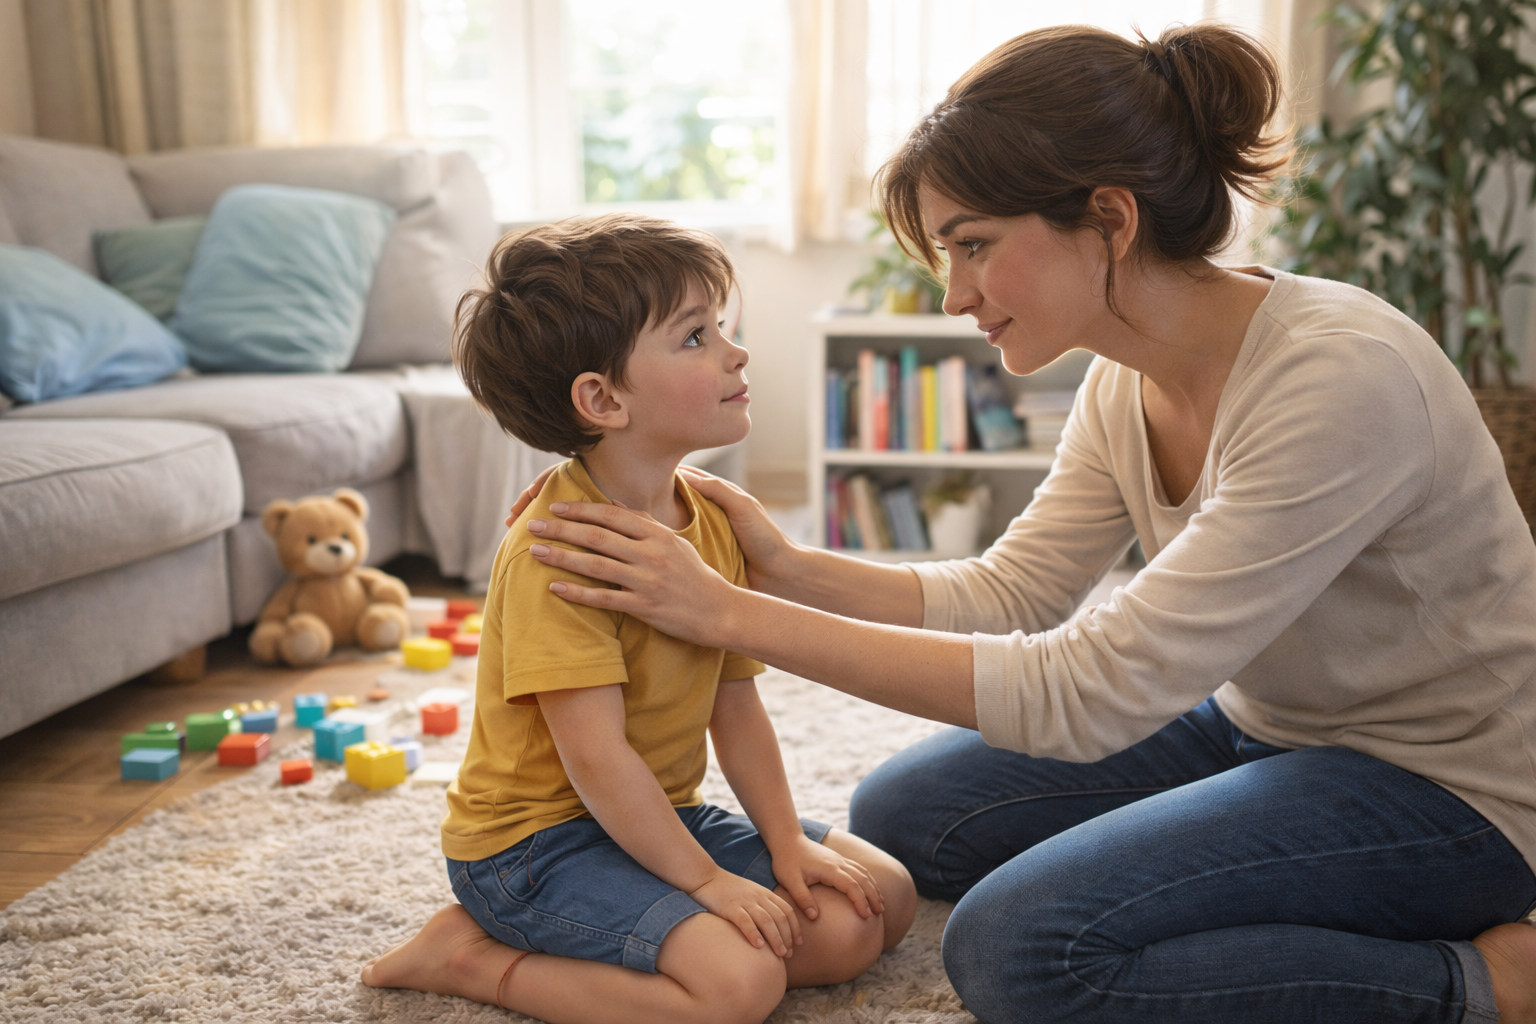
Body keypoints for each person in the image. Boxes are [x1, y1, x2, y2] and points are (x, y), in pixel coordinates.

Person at [498, 23, 1536, 1024]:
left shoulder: (1338, 378)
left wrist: (728, 615)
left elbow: (1089, 691)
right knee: (909, 817)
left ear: (1110, 220)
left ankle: (1478, 980)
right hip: (1264, 724)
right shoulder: (1126, 383)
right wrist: (779, 568)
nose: (954, 293)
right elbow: (1014, 594)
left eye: (974, 246)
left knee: (1017, 947)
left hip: (1447, 781)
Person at [359, 214, 916, 1024]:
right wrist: (705, 883)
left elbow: (734, 703)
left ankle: (646, 934)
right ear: (603, 399)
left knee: (876, 910)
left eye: (719, 325)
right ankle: (474, 957)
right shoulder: (559, 552)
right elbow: (596, 756)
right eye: (695, 337)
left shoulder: (711, 523)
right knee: (736, 989)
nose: (736, 351)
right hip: (534, 848)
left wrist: (786, 840)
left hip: (658, 814)